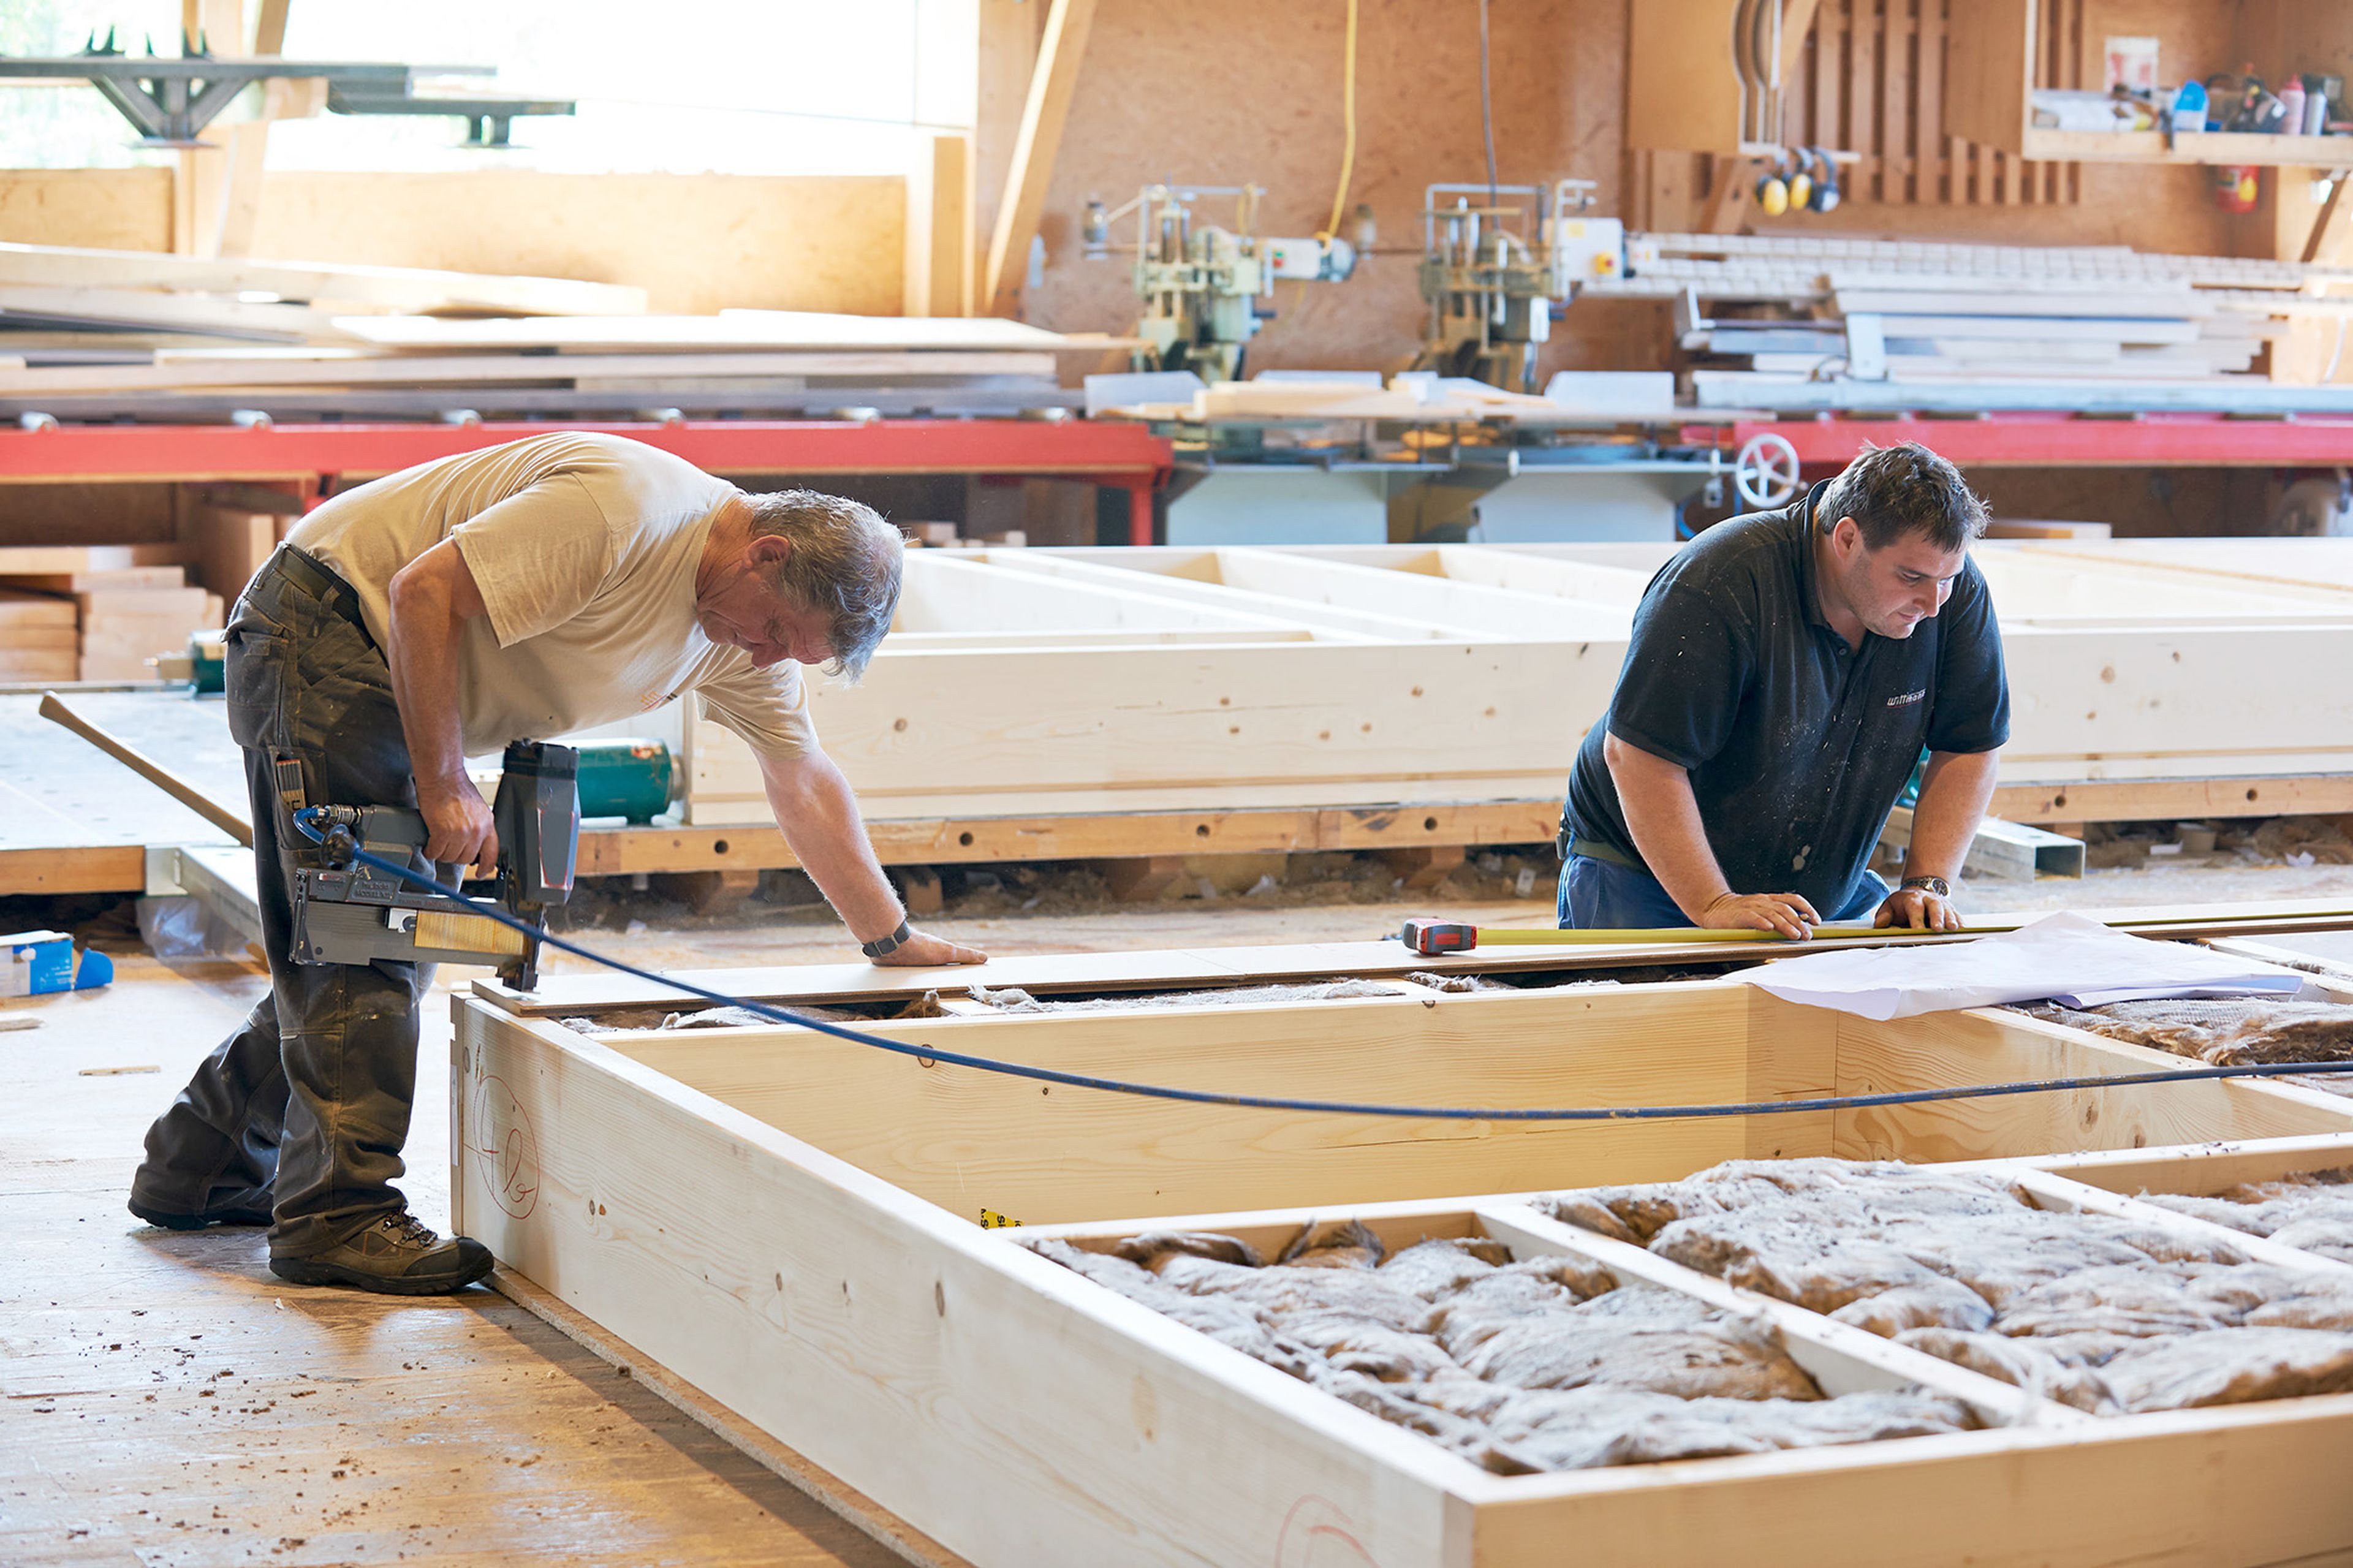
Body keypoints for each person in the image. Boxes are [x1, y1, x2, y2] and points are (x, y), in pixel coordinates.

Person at [127, 431, 984, 1294]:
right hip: (328, 625)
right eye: (774, 632)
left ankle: (200, 1167)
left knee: (366, 936)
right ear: (766, 554)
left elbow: (802, 776)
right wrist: (445, 782)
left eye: (785, 651)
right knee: (368, 931)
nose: (763, 656)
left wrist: (891, 937)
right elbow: (421, 591)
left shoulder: (738, 631)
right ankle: (335, 1217)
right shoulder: (625, 509)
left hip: (390, 663)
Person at [1558, 442, 2007, 940]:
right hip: (1647, 876)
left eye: (1949, 578)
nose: (1933, 603)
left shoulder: (1950, 591)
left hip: (1813, 891)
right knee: (1645, 1016)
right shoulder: (1720, 581)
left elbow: (1971, 742)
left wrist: (1928, 883)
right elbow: (1637, 757)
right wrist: (1714, 902)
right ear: (1846, 538)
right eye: (1911, 577)